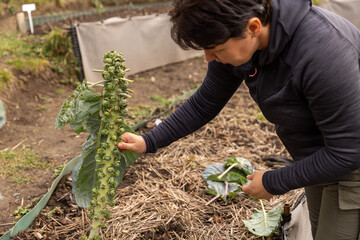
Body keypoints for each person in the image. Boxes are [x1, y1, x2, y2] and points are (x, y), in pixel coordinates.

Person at [117, 0, 360, 239]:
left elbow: (348, 150)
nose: (208, 58)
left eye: (215, 48)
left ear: (253, 28)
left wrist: (274, 181)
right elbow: (204, 103)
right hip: (318, 158)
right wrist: (148, 141)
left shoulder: (323, 54)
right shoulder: (241, 40)